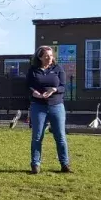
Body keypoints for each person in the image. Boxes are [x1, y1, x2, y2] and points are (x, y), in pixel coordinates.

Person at [27, 46, 70, 174]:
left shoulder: (58, 69)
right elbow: (27, 86)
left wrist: (54, 89)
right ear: (40, 57)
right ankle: (35, 164)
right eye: (46, 56)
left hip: (57, 106)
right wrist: (34, 93)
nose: (50, 58)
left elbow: (63, 87)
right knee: (37, 137)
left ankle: (65, 164)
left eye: (51, 56)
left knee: (60, 136)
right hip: (38, 107)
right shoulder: (33, 70)